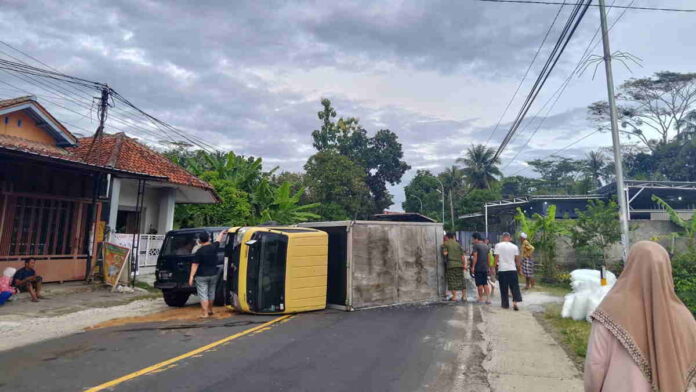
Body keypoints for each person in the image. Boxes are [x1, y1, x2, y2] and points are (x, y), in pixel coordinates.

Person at [584, 241, 696, 392]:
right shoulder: (684, 317)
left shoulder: (610, 311)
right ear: (666, 270)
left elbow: (595, 364)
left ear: (630, 266)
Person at [188, 231, 226, 318]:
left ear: (200, 241)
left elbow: (195, 265)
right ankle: (210, 310)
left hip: (201, 276)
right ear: (209, 238)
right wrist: (222, 233)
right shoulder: (214, 247)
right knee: (211, 292)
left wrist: (191, 276)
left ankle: (205, 313)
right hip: (213, 274)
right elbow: (218, 240)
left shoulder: (199, 251)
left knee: (203, 294)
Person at [494, 232, 522, 311]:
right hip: (512, 269)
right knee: (514, 287)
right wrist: (519, 269)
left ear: (503, 238)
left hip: (502, 269)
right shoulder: (515, 247)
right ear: (509, 238)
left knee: (504, 287)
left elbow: (496, 257)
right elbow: (517, 259)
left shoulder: (498, 245)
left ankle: (505, 304)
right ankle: (515, 303)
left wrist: (493, 267)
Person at [441, 232, 466, 301]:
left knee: (452, 280)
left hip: (451, 265)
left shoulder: (445, 244)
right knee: (461, 280)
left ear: (447, 237)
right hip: (459, 264)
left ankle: (454, 296)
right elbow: (462, 256)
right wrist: (464, 265)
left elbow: (445, 254)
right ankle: (464, 296)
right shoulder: (458, 244)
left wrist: (444, 249)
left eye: (445, 237)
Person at [470, 232, 491, 304]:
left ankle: (481, 298)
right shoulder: (486, 246)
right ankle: (488, 299)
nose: (472, 240)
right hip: (485, 268)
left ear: (476, 239)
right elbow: (488, 258)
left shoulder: (476, 246)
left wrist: (473, 267)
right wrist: (488, 267)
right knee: (485, 283)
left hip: (478, 268)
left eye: (473, 239)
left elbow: (475, 257)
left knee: (479, 284)